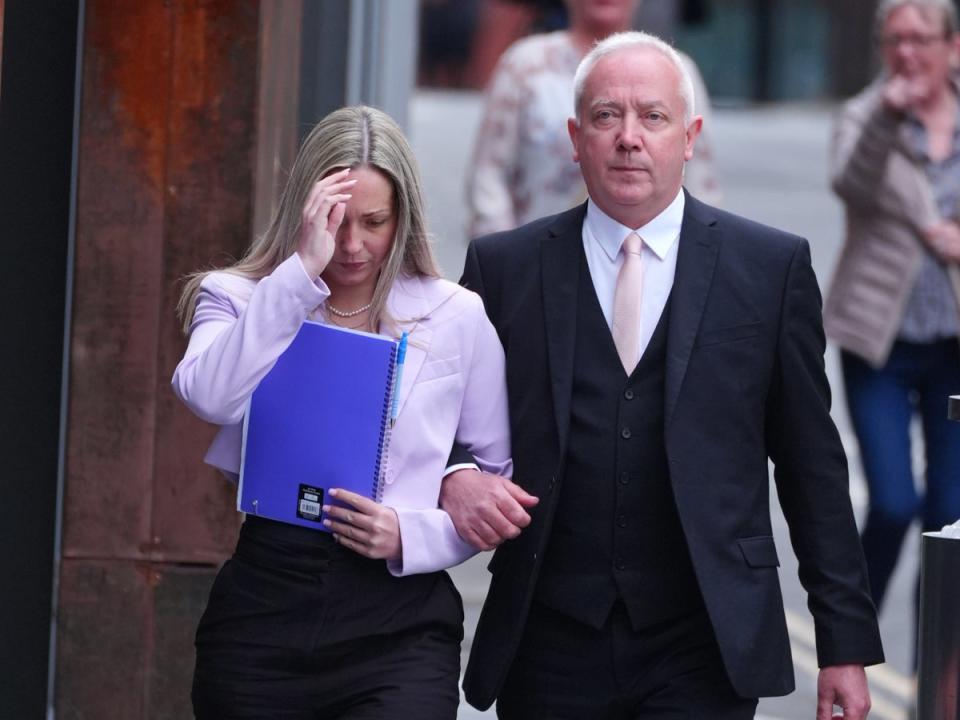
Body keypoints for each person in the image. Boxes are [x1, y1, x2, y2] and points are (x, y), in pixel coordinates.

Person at [440, 30, 885, 719]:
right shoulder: (504, 270)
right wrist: (458, 474)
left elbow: (811, 466)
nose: (628, 137)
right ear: (575, 136)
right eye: (606, 116)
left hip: (705, 637)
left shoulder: (769, 269)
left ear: (690, 135)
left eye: (652, 116)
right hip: (551, 638)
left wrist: (844, 645)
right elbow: (439, 421)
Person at [172, 105, 511, 719]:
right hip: (267, 600)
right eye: (336, 221)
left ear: (403, 218)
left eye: (374, 221)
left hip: (397, 618)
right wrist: (300, 272)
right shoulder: (239, 298)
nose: (353, 245)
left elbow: (499, 478)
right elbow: (208, 396)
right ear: (305, 213)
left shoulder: (455, 315)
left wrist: (410, 534)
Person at [826, 0, 960, 669]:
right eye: (895, 39)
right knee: (892, 502)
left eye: (921, 39)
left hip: (954, 352)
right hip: (879, 342)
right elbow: (849, 182)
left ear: (951, 44)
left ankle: (933, 671)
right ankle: (851, 644)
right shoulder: (863, 115)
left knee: (949, 516)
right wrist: (887, 115)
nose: (908, 52)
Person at [465, 0, 721, 239]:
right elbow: (489, 176)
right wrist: (509, 261)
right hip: (536, 263)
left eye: (652, 116)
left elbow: (701, 181)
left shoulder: (676, 71)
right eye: (606, 115)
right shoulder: (525, 64)